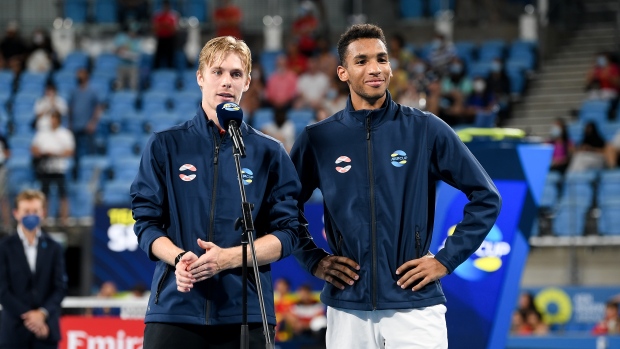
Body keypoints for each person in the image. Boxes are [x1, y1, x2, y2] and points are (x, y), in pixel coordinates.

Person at [290, 24, 501, 348]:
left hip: (415, 306)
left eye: (382, 59)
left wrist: (445, 259)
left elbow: (486, 197)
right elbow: (282, 207)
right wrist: (313, 259)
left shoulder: (425, 129)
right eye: (361, 61)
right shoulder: (319, 139)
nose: (375, 69)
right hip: (348, 311)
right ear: (343, 72)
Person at [130, 35, 303, 348]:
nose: (226, 81)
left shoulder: (269, 152)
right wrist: (180, 258)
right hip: (174, 309)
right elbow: (145, 223)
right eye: (217, 72)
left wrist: (228, 259)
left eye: (236, 74)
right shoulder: (166, 145)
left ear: (248, 82)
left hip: (246, 314)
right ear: (200, 77)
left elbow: (289, 234)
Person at [0, 189, 67, 348]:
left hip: (46, 332)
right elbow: (2, 289)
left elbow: (60, 287)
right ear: (16, 213)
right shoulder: (4, 247)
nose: (31, 215)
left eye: (35, 211)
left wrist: (42, 313)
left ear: (43, 213)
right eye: (26, 211)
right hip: (13, 333)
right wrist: (32, 318)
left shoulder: (54, 247)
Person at [31, 111, 75, 225]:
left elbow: (70, 151)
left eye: (54, 119)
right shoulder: (42, 133)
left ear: (58, 120)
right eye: (50, 119)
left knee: (63, 194)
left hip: (59, 168)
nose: (51, 121)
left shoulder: (65, 134)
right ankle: (44, 219)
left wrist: (55, 154)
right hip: (45, 168)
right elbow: (33, 148)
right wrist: (43, 153)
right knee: (44, 194)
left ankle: (64, 219)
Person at [152, 0, 178, 69]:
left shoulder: (173, 16)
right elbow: (155, 29)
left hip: (170, 39)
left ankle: (171, 74)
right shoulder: (157, 15)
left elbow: (174, 30)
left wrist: (165, 26)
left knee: (170, 58)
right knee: (158, 58)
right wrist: (165, 25)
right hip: (160, 39)